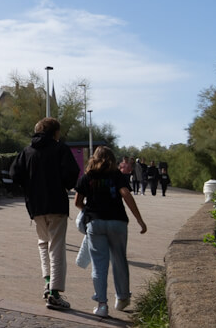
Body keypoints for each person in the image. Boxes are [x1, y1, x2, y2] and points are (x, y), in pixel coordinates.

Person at [9, 117, 80, 310]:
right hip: (56, 202)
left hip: (36, 205)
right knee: (56, 247)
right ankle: (55, 293)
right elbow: (72, 173)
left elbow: (15, 174)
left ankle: (48, 283)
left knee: (43, 244)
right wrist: (64, 186)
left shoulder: (27, 151)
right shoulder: (60, 149)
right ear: (55, 132)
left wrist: (29, 186)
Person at [74, 146, 147, 318]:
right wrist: (139, 220)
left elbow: (77, 202)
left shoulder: (87, 177)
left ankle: (102, 305)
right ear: (112, 160)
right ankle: (122, 298)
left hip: (95, 223)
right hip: (117, 222)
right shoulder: (117, 176)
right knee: (119, 259)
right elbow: (126, 194)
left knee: (99, 264)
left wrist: (89, 210)